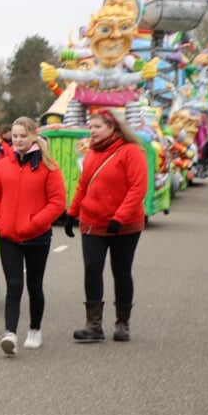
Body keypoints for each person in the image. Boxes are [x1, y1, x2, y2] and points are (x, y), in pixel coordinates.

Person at [63, 109, 148, 343]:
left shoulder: (131, 152)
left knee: (121, 272)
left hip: (125, 224)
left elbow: (138, 188)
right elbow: (83, 184)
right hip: (93, 221)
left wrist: (119, 217)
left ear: (113, 128)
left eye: (97, 127)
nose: (92, 131)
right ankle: (93, 326)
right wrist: (72, 213)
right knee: (92, 268)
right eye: (90, 127)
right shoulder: (91, 153)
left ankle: (122, 324)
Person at [0, 117, 66, 355]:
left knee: (34, 285)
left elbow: (57, 202)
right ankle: (10, 333)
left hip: (37, 237)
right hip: (8, 235)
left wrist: (34, 222)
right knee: (14, 284)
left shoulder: (48, 167)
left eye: (23, 136)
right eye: (15, 136)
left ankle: (35, 329)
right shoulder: (3, 166)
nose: (18, 140)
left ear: (33, 137)